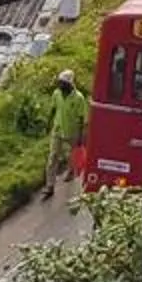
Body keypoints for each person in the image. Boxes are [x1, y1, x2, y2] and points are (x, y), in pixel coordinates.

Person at [44, 68, 90, 197]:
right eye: (60, 82)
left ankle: (71, 170)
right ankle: (50, 186)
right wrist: (48, 123)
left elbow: (82, 118)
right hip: (58, 129)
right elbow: (53, 109)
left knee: (73, 153)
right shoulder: (57, 94)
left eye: (62, 83)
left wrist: (81, 136)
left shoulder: (79, 98)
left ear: (69, 84)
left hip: (72, 131)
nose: (60, 85)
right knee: (53, 157)